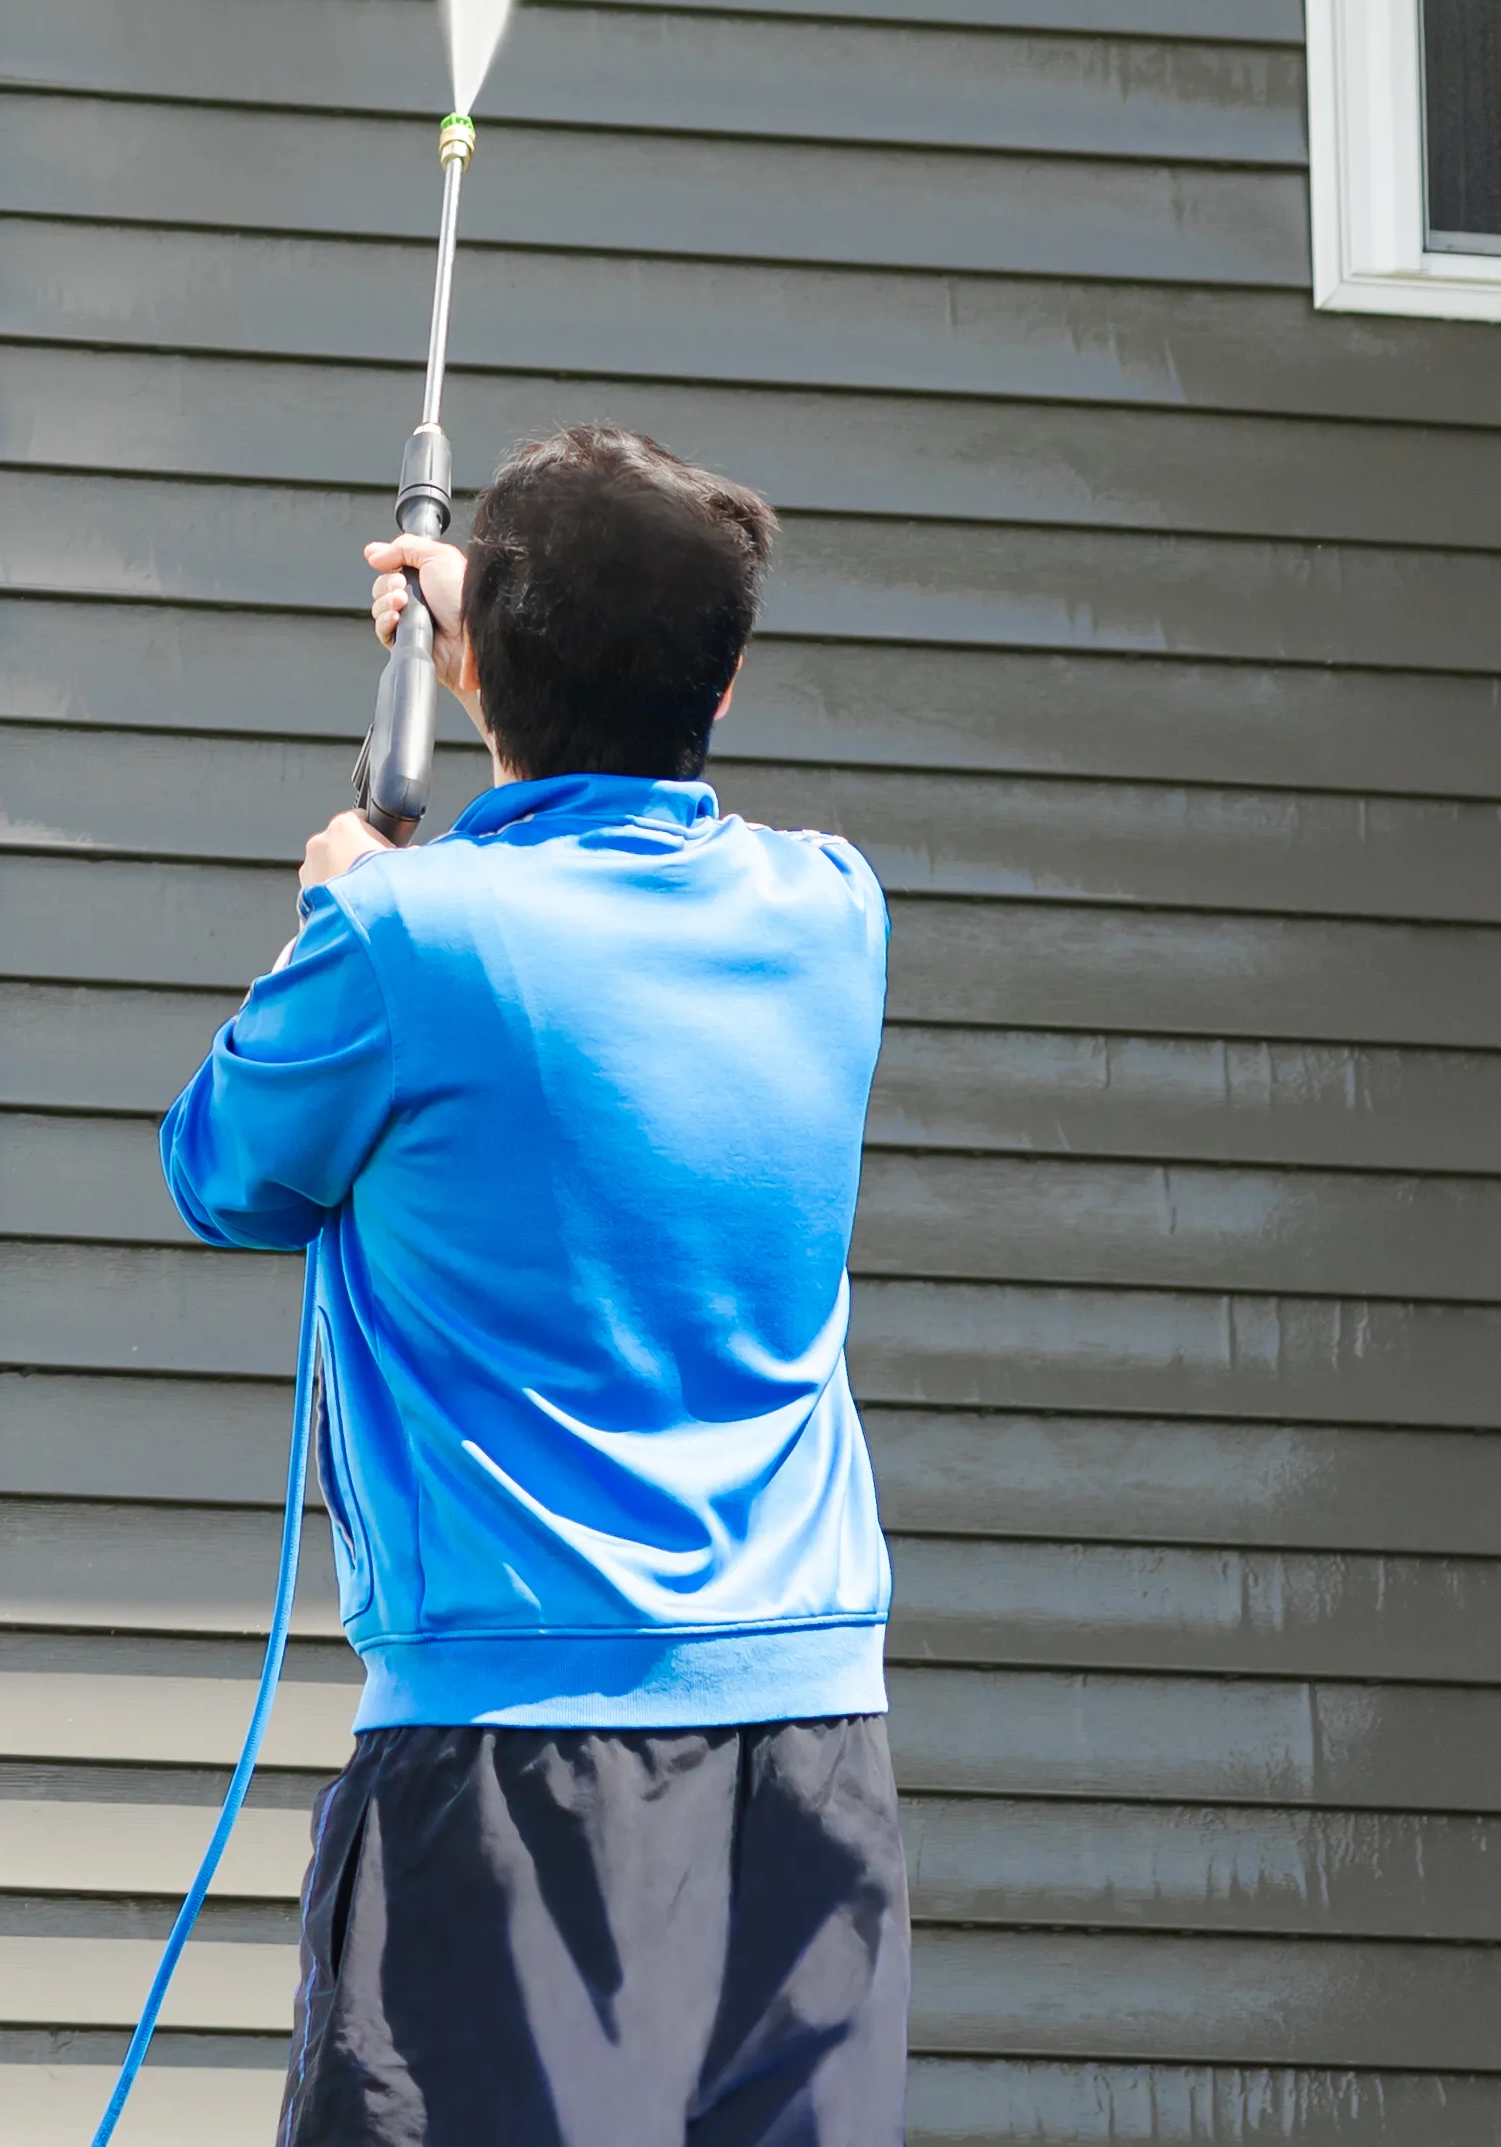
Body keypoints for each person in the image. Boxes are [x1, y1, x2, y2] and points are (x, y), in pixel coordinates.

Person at [161, 423, 903, 2147]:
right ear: (718, 695)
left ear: (479, 660)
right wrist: (498, 629)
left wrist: (341, 905)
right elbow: (627, 782)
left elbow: (225, 1173)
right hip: (808, 1749)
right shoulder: (834, 915)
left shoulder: (405, 941)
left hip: (512, 1752)